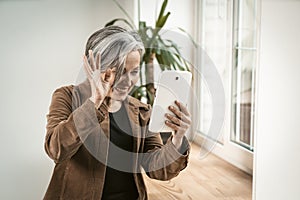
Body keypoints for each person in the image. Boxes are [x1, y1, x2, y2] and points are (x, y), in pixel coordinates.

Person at [44, 26, 191, 200]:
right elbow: (56, 150)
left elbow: (157, 170)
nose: (128, 82)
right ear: (93, 67)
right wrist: (95, 102)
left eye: (134, 71)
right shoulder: (67, 97)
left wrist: (178, 139)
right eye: (120, 72)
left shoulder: (140, 110)